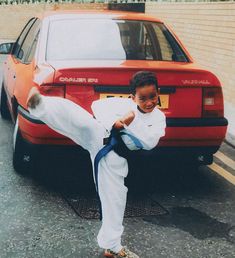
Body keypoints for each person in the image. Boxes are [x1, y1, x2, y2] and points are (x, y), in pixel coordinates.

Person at [27, 71, 166, 258]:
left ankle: (112, 248)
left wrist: (129, 123)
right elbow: (97, 105)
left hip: (114, 158)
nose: (149, 102)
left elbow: (150, 142)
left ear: (158, 92)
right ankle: (40, 105)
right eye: (143, 98)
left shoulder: (158, 118)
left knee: (115, 200)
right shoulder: (125, 104)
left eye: (153, 97)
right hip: (99, 134)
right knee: (78, 119)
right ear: (133, 97)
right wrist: (115, 122)